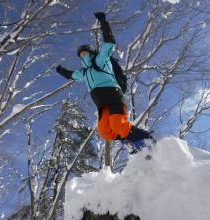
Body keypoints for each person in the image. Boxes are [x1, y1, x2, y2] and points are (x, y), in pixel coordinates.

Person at [56, 12, 153, 150]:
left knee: (118, 124)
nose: (83, 56)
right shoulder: (83, 73)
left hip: (113, 94)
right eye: (81, 55)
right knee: (106, 132)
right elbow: (71, 75)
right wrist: (61, 70)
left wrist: (103, 22)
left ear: (91, 52)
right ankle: (130, 140)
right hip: (101, 103)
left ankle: (145, 140)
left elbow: (109, 43)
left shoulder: (100, 60)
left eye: (85, 52)